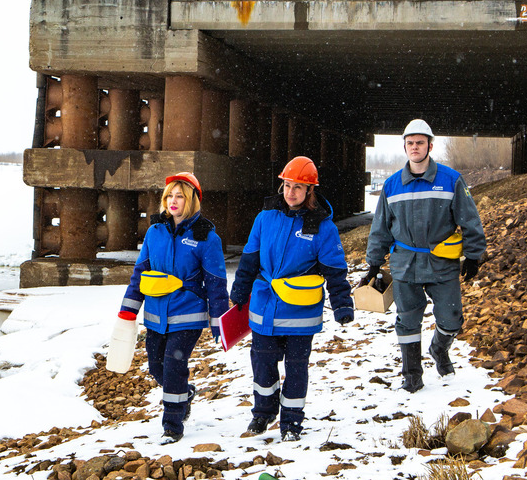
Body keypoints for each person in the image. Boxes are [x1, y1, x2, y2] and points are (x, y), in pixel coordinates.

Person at [229, 156, 354, 441]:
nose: (291, 192)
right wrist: (239, 291)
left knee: (296, 369)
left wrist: (342, 304)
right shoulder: (265, 218)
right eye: (287, 185)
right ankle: (263, 413)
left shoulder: (323, 227)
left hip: (301, 313)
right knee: (262, 363)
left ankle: (291, 423)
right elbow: (249, 260)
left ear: (310, 190)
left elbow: (334, 271)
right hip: (265, 307)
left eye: (298, 187)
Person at [360, 119, 486, 393]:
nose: (415, 147)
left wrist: (474, 255)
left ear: (430, 145)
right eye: (410, 143)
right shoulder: (392, 186)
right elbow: (380, 227)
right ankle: (412, 376)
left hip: (442, 262)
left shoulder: (451, 180)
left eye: (420, 142)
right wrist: (373, 263)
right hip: (405, 264)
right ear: (405, 147)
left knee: (452, 319)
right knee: (407, 321)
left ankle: (439, 349)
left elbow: (470, 220)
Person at [116, 172, 229, 444]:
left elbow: (216, 282)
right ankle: (185, 393)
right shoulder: (155, 232)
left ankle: (172, 425)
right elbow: (140, 273)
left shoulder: (206, 237)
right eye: (169, 196)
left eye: (180, 196)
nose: (173, 201)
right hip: (156, 315)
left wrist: (219, 321)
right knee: (157, 367)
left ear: (191, 200)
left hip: (187, 314)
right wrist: (128, 309)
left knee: (173, 365)